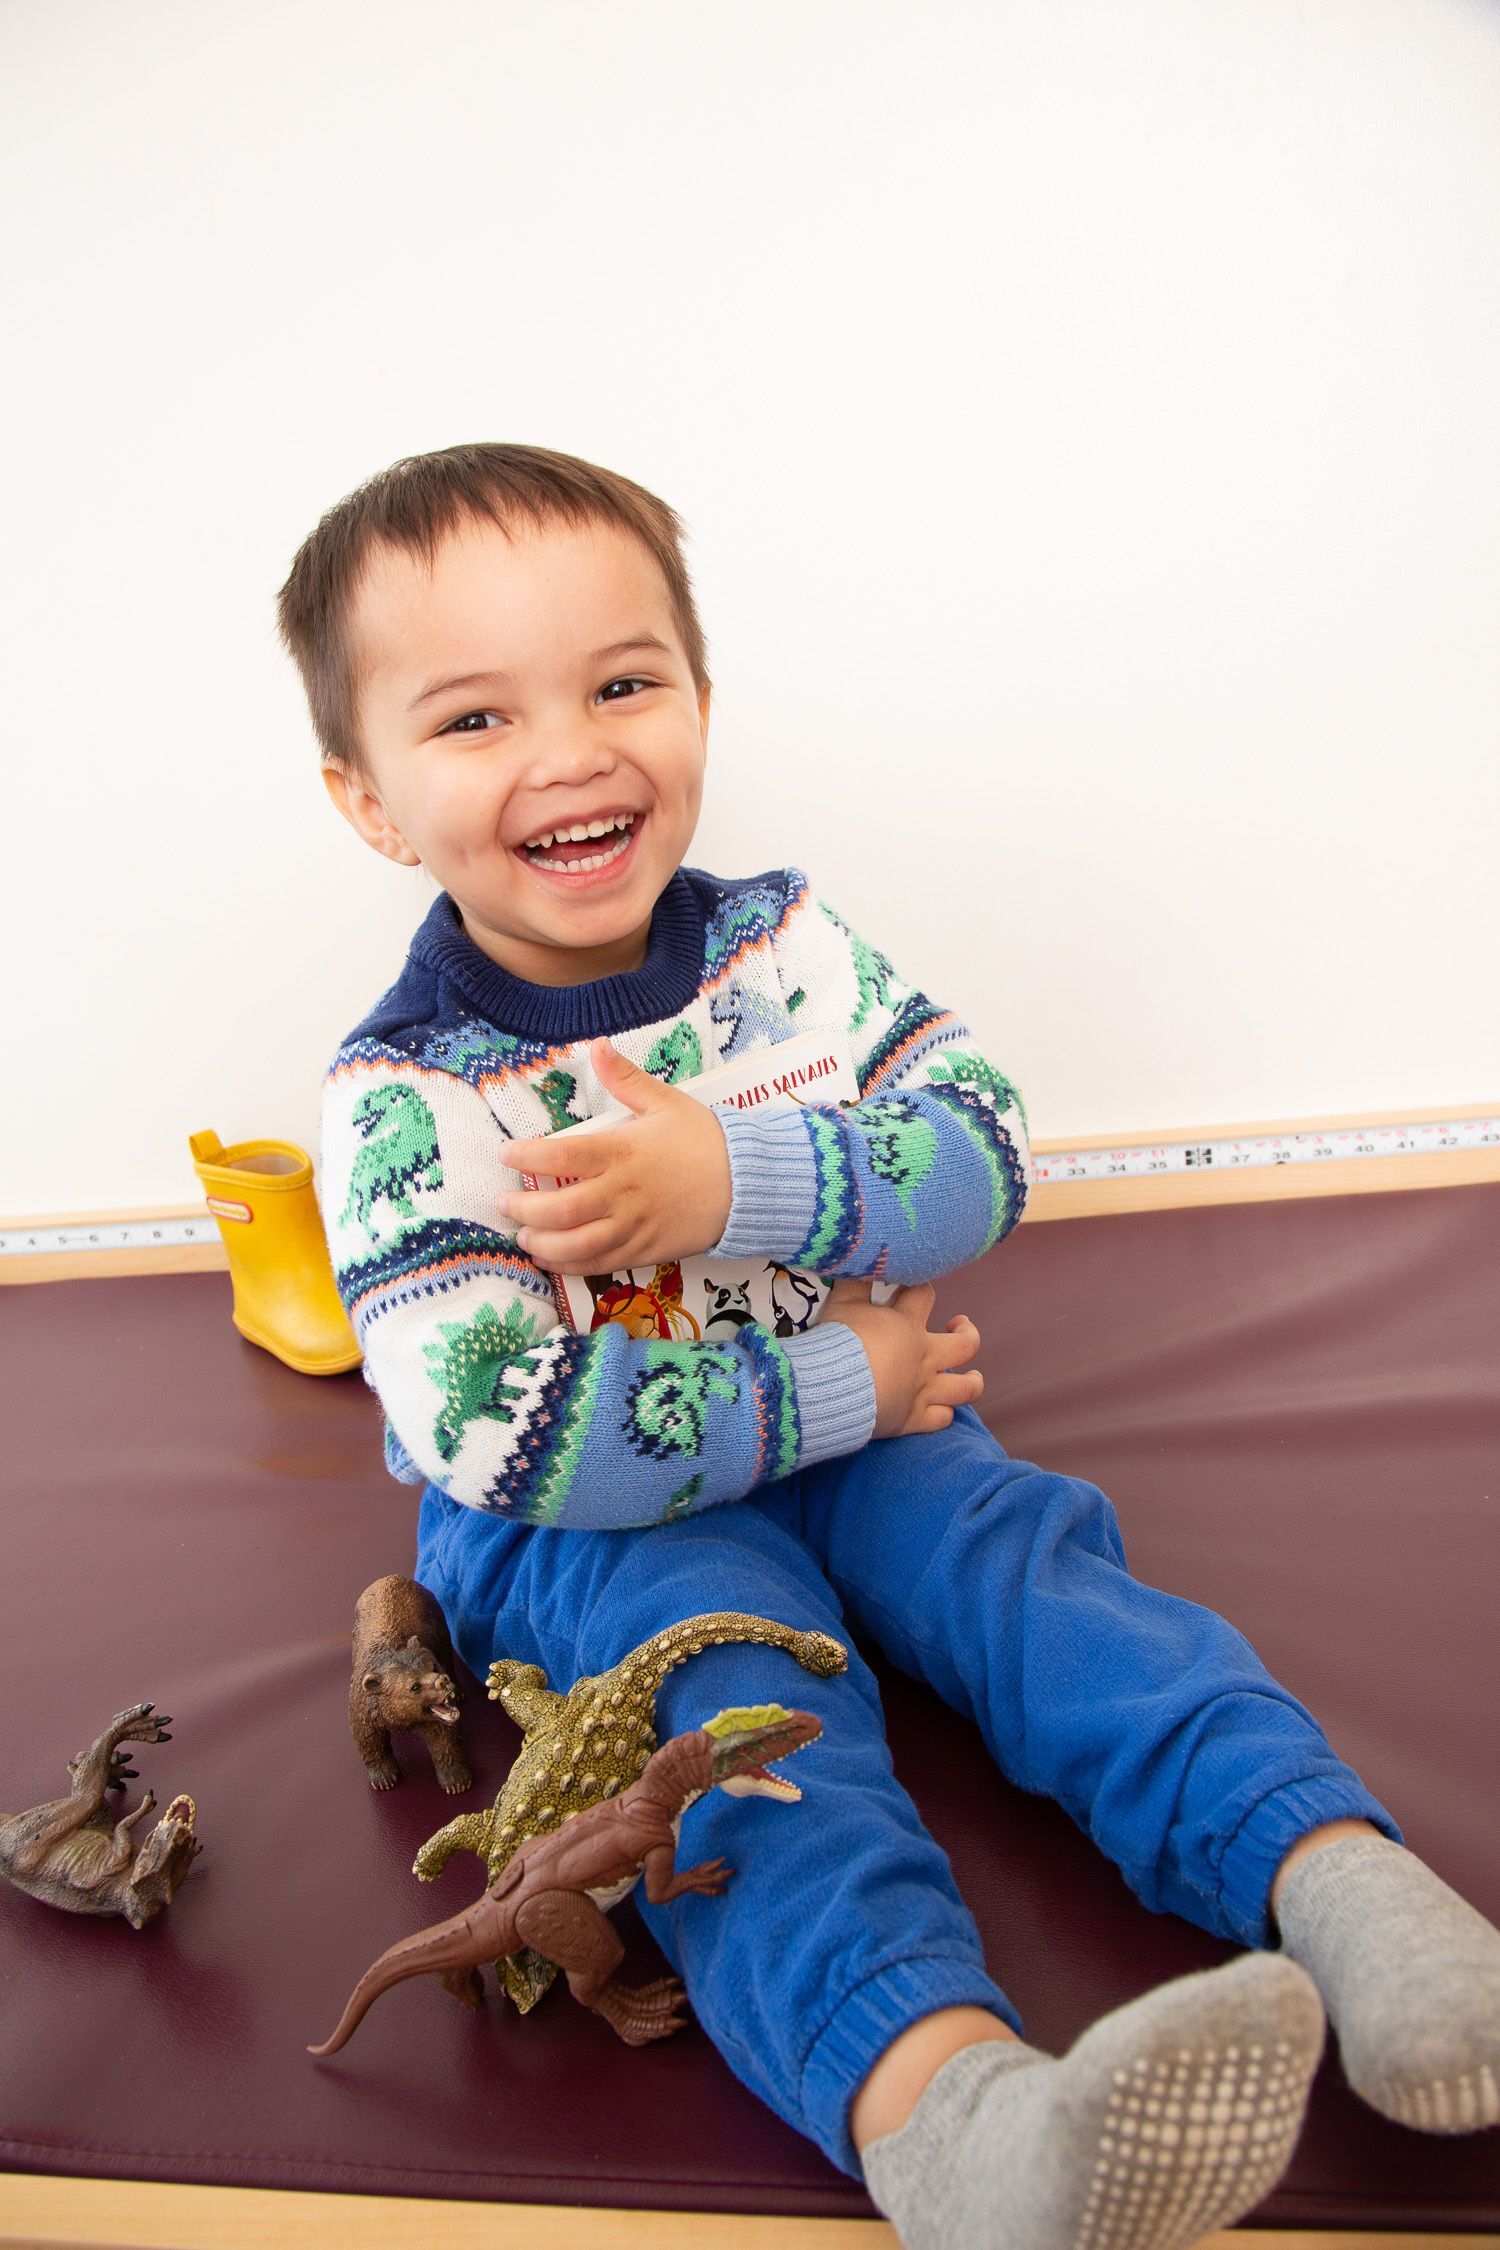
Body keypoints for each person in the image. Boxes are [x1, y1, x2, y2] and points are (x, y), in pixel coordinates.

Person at [280, 442, 1500, 2250]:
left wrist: (734, 1178)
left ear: (698, 694)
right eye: (473, 718)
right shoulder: (404, 1097)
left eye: (623, 682)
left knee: (1043, 1584)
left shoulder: (783, 944)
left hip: (877, 1426)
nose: (570, 749)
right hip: (608, 1517)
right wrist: (845, 1380)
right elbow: (512, 1432)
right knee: (741, 1735)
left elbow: (984, 1150)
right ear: (368, 798)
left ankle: (1353, 1894)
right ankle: (957, 2114)